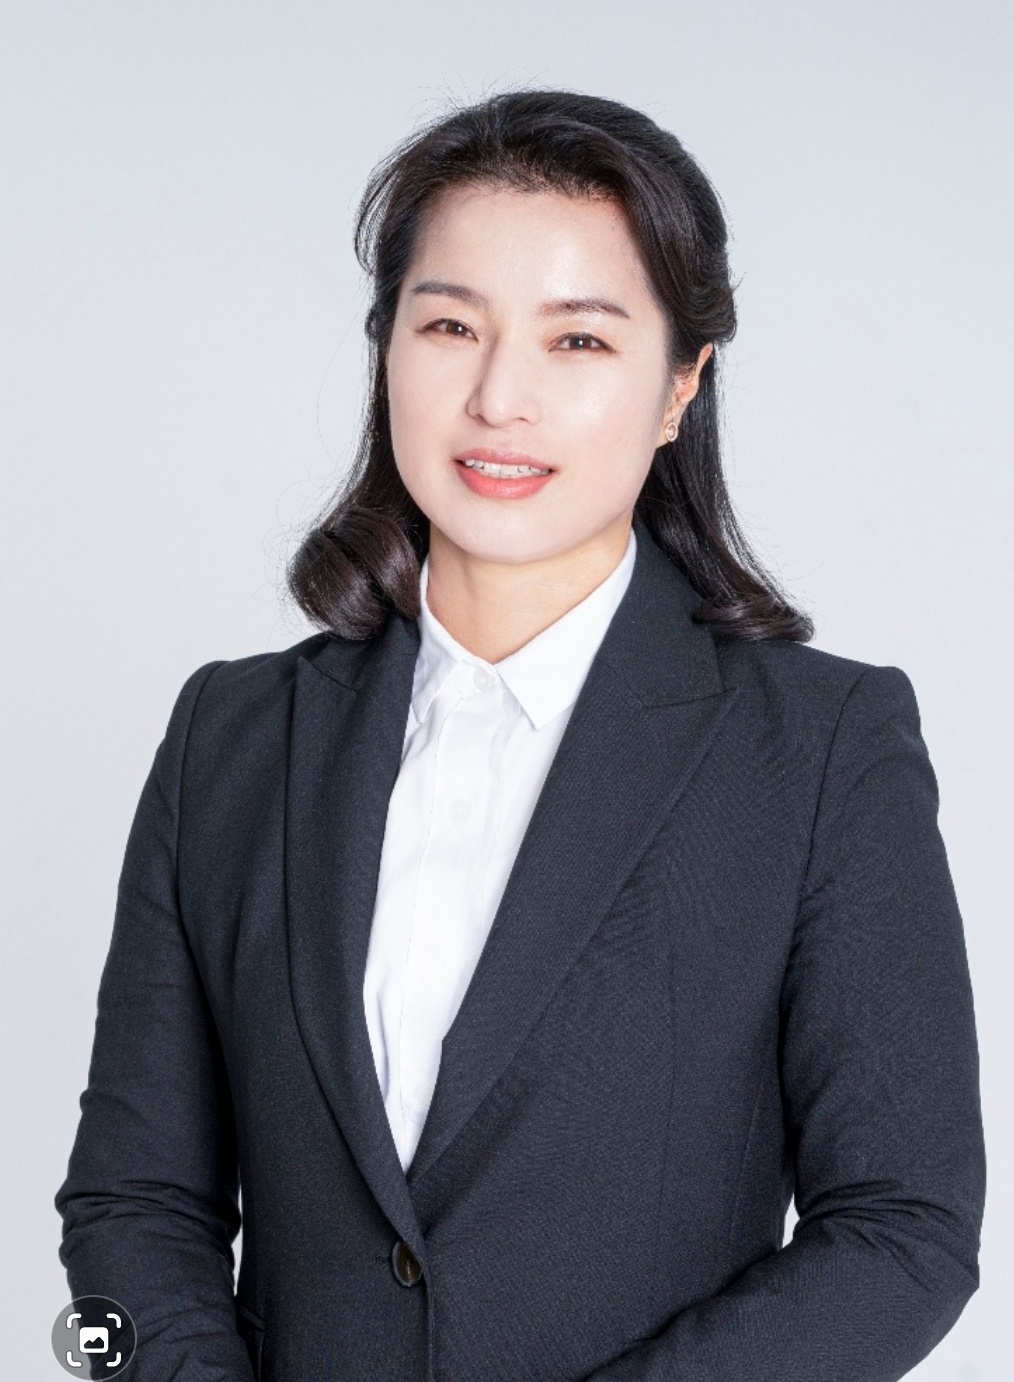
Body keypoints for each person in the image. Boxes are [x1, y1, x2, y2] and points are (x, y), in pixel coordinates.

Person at [55, 89, 986, 1382]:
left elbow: (903, 1231)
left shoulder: (820, 748)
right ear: (387, 348)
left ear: (679, 386)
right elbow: (130, 1207)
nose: (500, 397)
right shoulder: (233, 736)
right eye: (450, 325)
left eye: (578, 340)